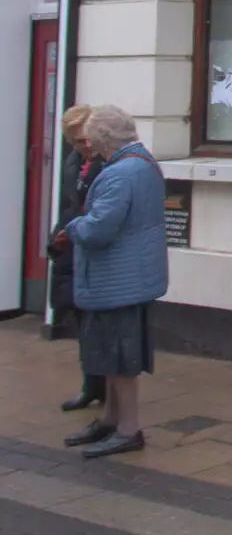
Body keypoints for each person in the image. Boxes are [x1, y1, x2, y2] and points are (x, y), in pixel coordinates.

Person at [59, 106, 169, 459]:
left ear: (104, 138)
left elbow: (99, 229)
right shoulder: (144, 164)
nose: (88, 143)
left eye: (91, 136)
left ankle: (127, 429)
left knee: (121, 360)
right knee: (112, 355)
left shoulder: (120, 174)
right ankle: (109, 420)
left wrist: (73, 228)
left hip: (117, 279)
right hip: (132, 275)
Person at [48, 105, 105, 412]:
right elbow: (70, 206)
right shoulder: (73, 164)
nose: (85, 146)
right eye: (77, 142)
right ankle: (91, 385)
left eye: (87, 139)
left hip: (97, 250)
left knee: (99, 326)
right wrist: (57, 239)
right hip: (73, 248)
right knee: (81, 322)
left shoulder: (109, 164)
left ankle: (105, 388)